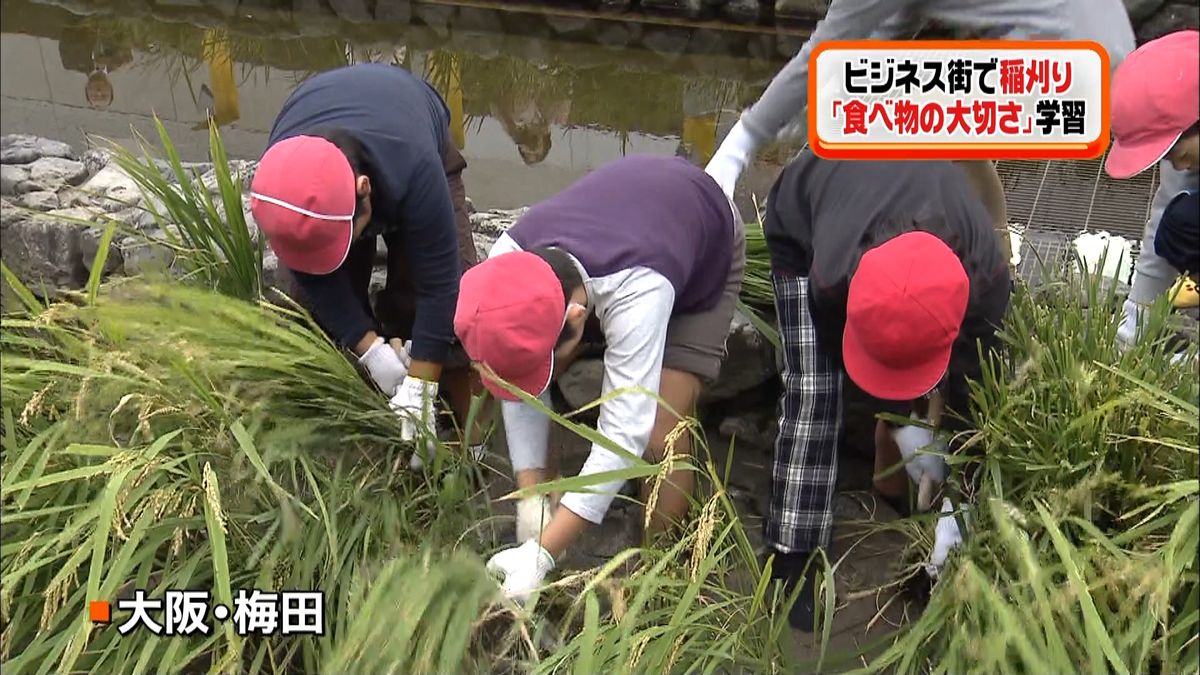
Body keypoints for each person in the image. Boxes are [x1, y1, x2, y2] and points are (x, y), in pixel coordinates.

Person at [453, 154, 745, 603]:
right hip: (625, 220)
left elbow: (623, 435)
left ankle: (661, 575)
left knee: (661, 429)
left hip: (701, 238)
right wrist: (531, 497)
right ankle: (552, 511)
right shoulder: (504, 270)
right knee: (541, 368)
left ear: (576, 318)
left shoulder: (640, 289)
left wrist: (541, 555)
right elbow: (516, 384)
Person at [761, 149, 1010, 630]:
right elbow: (840, 358)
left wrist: (955, 504)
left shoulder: (987, 284)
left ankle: (943, 553)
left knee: (958, 404)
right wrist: (896, 417)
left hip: (898, 205)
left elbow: (973, 396)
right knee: (815, 395)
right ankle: (794, 557)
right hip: (806, 213)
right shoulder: (831, 279)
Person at [704, 0, 1137, 262]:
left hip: (1066, 66)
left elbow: (822, 51)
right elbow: (885, 36)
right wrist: (805, 120)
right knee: (947, 130)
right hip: (1114, 56)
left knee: (908, 118)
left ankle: (910, 271)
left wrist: (737, 149)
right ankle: (997, 264)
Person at [249, 63, 488, 465]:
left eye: (346, 233)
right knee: (306, 310)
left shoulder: (417, 167)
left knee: (448, 305)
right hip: (325, 127)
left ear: (364, 190)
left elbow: (440, 285)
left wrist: (421, 391)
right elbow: (311, 275)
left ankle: (467, 439)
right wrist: (371, 350)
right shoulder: (283, 179)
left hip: (408, 119)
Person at [1101, 30, 1199, 345]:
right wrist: (1134, 321)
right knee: (1180, 223)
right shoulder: (1186, 122)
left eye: (1181, 155)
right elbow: (1163, 220)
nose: (1180, 166)